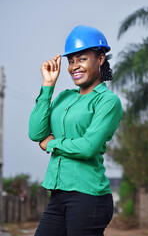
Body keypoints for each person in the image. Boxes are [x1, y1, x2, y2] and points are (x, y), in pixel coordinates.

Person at [29, 25, 123, 236]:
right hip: (59, 194)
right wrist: (47, 85)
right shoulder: (64, 97)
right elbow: (36, 133)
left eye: (82, 59)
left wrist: (51, 143)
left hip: (89, 196)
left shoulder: (107, 101)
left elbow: (88, 147)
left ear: (100, 59)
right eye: (71, 61)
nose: (74, 66)